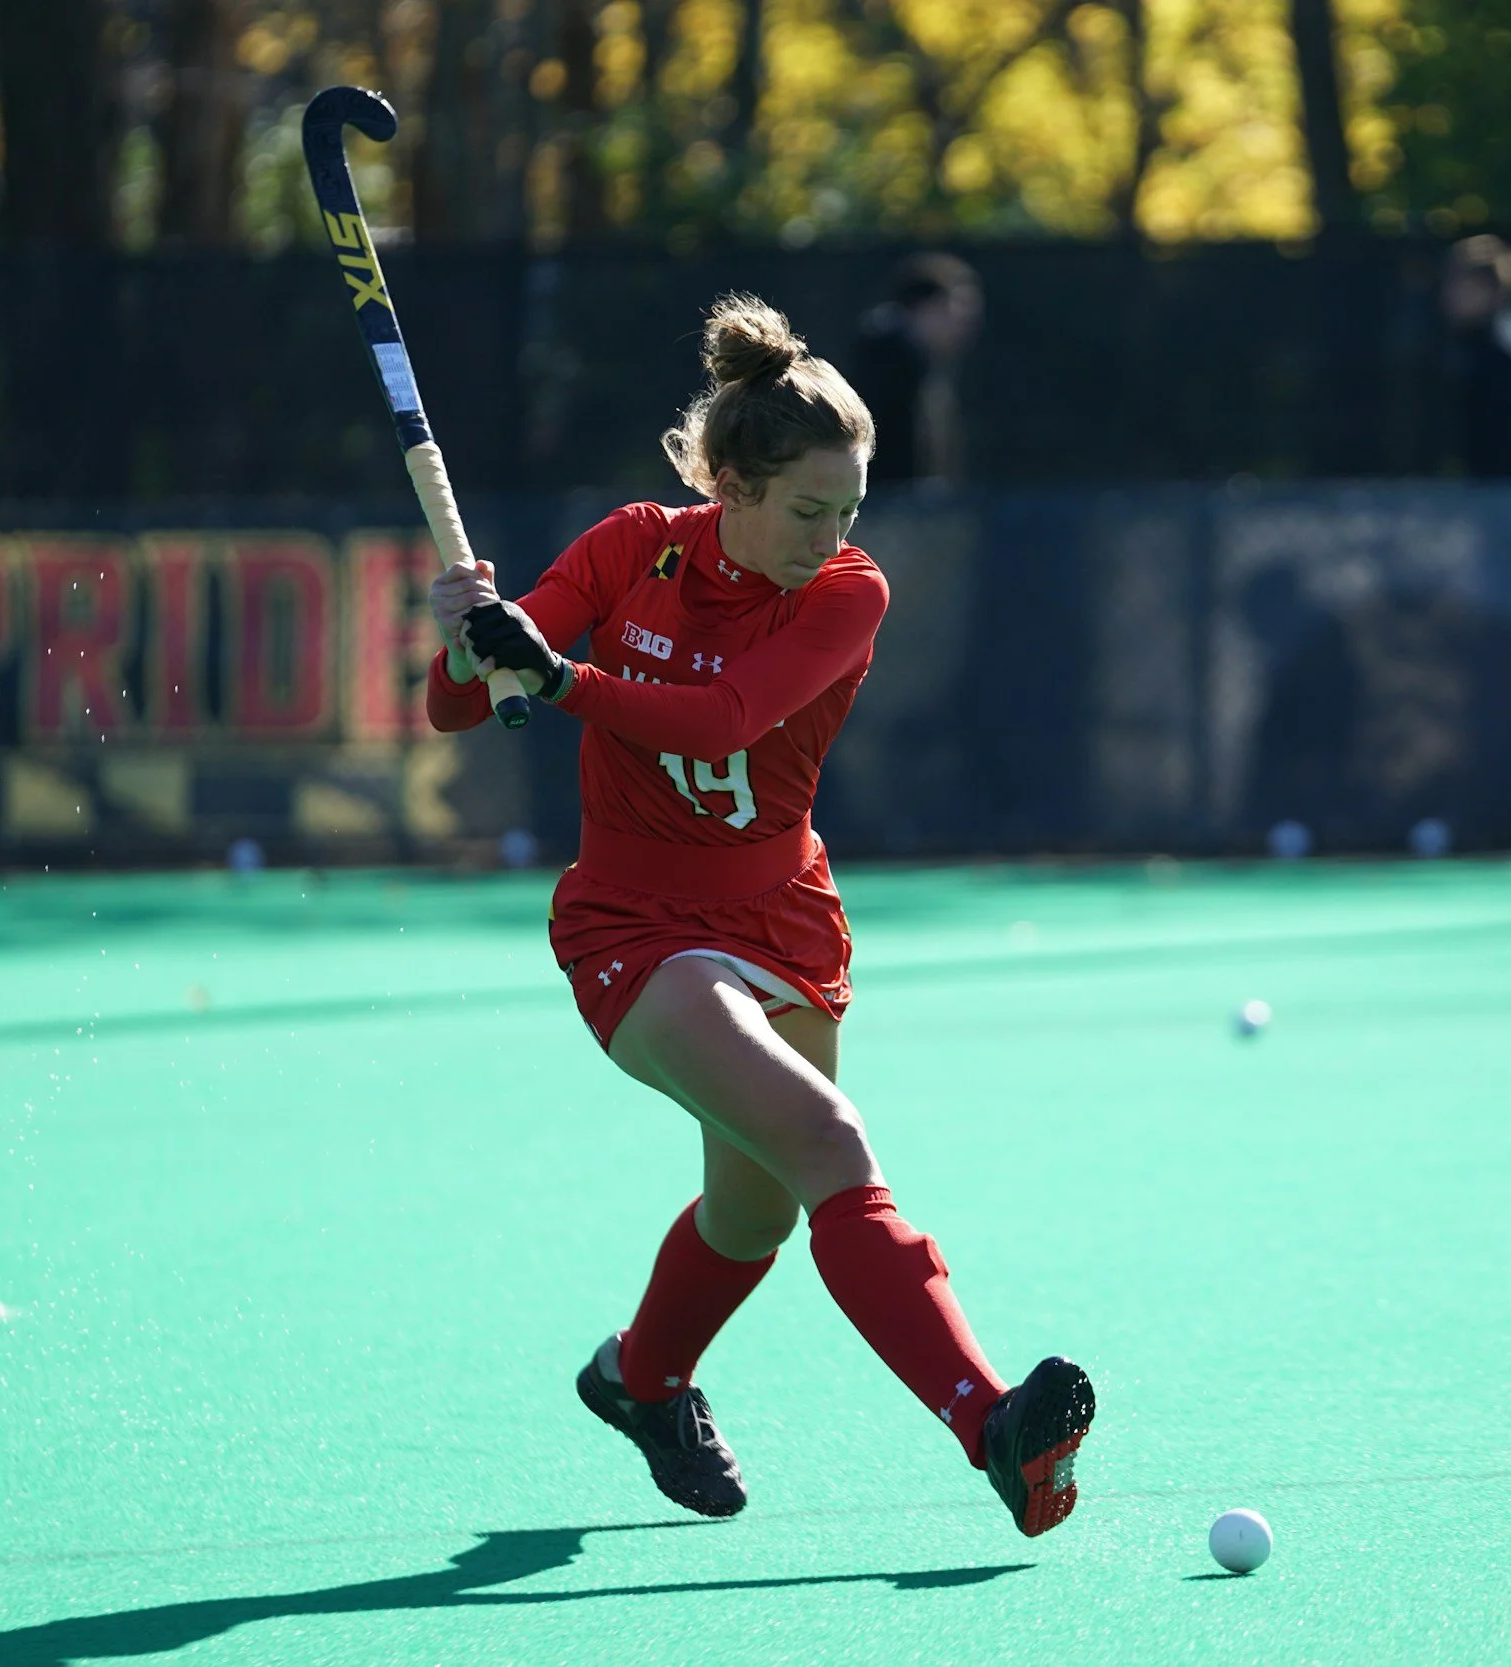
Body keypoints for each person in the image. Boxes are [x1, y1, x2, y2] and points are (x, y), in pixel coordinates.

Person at [422, 294, 1094, 1538]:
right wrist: (473, 642)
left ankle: (639, 1378)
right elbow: (456, 710)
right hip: (633, 921)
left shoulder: (848, 594)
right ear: (728, 482)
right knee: (831, 1140)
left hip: (780, 914)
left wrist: (558, 677)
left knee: (757, 1209)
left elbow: (729, 715)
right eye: (804, 509)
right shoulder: (630, 549)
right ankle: (990, 1421)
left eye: (848, 509)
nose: (828, 535)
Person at [850, 253, 984, 489]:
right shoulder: (886, 360)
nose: (966, 328)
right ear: (928, 307)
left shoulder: (905, 356)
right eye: (959, 313)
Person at [1442, 234, 1511, 478]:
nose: (1448, 295)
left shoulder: (1508, 351)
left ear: (1490, 288)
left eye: (1459, 284)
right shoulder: (1476, 344)